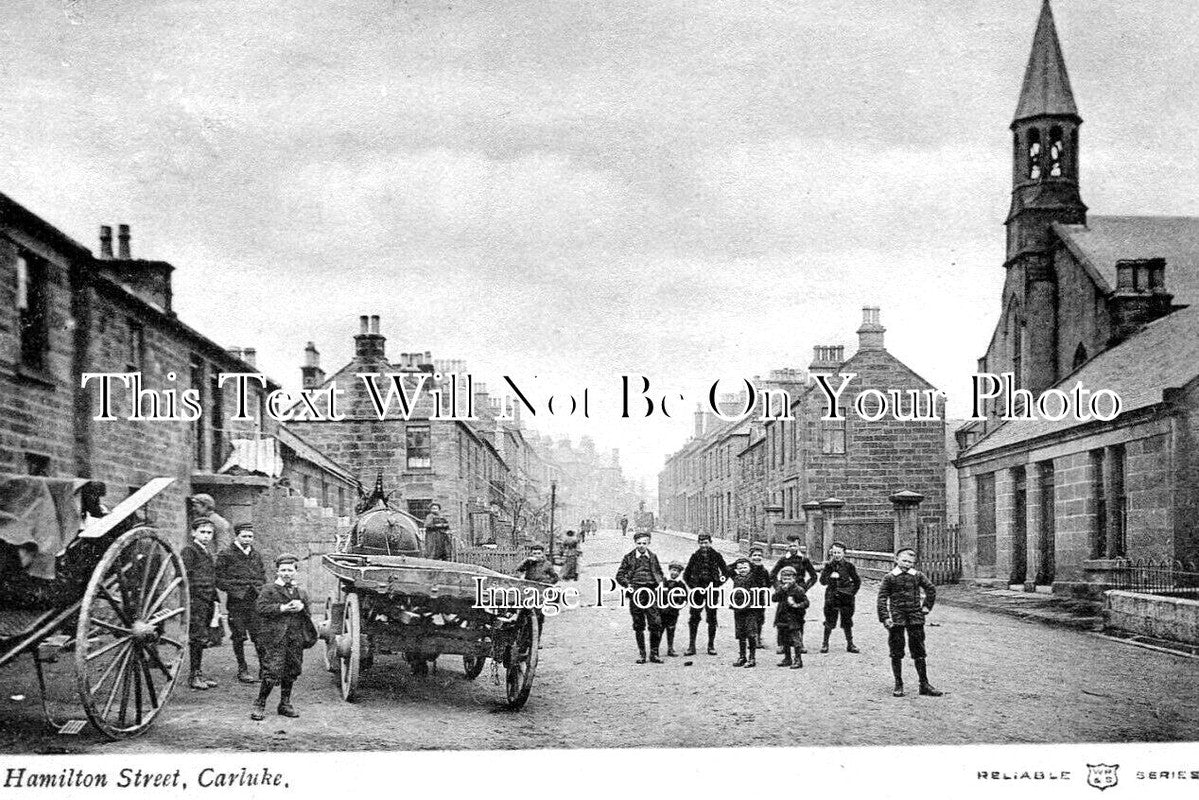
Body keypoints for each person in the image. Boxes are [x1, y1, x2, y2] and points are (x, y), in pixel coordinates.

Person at [252, 553, 317, 719]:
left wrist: (302, 607)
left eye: (290, 570)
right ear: (277, 572)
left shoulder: (301, 592)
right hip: (275, 638)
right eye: (283, 570)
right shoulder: (269, 589)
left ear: (295, 572)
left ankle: (285, 704)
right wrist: (282, 608)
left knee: (291, 670)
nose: (286, 573)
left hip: (295, 638)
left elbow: (309, 614)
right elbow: (260, 609)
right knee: (272, 671)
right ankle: (260, 703)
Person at [877, 547, 942, 698]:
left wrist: (926, 606)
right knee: (896, 651)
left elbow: (931, 589)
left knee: (919, 651)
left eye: (910, 562)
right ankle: (898, 684)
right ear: (896, 560)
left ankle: (924, 684)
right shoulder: (890, 577)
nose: (906, 564)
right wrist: (885, 617)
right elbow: (881, 598)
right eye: (904, 561)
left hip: (915, 617)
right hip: (897, 618)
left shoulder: (917, 575)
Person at [216, 521, 267, 684]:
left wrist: (259, 588)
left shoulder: (256, 555)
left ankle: (263, 668)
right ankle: (242, 668)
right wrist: (235, 590)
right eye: (244, 536)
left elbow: (262, 576)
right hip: (236, 602)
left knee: (259, 635)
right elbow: (219, 579)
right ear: (236, 536)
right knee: (238, 636)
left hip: (254, 601)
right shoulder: (226, 554)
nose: (247, 539)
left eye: (250, 536)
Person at [181, 518, 221, 690]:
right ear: (193, 533)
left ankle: (198, 672)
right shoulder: (189, 551)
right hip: (196, 599)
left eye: (209, 533)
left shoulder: (207, 552)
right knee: (197, 637)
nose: (206, 536)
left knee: (202, 636)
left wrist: (214, 597)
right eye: (202, 532)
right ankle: (194, 676)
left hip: (207, 598)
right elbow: (185, 576)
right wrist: (193, 595)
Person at [614, 531, 665, 664]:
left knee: (655, 623)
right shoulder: (629, 557)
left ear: (649, 543)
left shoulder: (653, 557)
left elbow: (659, 572)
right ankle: (642, 655)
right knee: (639, 624)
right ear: (635, 543)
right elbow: (620, 575)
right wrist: (627, 585)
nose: (641, 546)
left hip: (651, 592)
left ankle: (654, 654)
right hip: (636, 592)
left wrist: (660, 583)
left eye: (644, 543)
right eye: (639, 543)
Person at [683, 532, 731, 656]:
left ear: (710, 542)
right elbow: (686, 574)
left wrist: (717, 584)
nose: (704, 545)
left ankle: (711, 646)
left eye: (706, 543)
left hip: (712, 591)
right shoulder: (695, 556)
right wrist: (693, 587)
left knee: (712, 618)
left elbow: (726, 572)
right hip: (697, 592)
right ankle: (691, 646)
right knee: (694, 617)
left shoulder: (716, 556)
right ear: (698, 543)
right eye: (701, 543)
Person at [819, 541, 861, 654]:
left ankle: (850, 644)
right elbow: (822, 582)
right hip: (831, 597)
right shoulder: (828, 566)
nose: (836, 555)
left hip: (846, 598)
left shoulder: (849, 566)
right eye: (834, 552)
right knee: (829, 621)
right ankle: (825, 644)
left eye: (839, 552)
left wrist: (851, 593)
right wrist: (829, 577)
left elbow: (857, 581)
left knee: (847, 621)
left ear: (844, 553)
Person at [773, 566, 809, 669]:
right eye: (784, 578)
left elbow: (806, 602)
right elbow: (774, 599)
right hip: (782, 617)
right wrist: (780, 591)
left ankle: (798, 660)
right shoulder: (780, 588)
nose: (787, 580)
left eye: (789, 578)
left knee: (795, 639)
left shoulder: (799, 590)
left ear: (794, 578)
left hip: (794, 618)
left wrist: (797, 605)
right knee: (785, 640)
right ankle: (787, 659)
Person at [729, 558, 759, 668]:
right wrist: (737, 562)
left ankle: (752, 658)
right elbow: (728, 569)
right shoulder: (735, 577)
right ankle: (742, 656)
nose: (742, 570)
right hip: (738, 608)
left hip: (750, 609)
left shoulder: (753, 577)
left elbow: (757, 569)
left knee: (751, 633)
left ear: (750, 568)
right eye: (740, 568)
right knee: (740, 633)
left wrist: (749, 562)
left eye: (745, 567)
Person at [747, 547, 772, 658]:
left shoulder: (764, 570)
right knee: (750, 617)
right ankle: (752, 639)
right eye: (755, 555)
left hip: (760, 597)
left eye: (759, 555)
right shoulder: (747, 569)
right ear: (750, 557)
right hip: (749, 597)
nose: (757, 557)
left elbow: (768, 583)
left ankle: (758, 637)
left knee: (760, 618)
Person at [660, 560, 686, 657]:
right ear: (669, 570)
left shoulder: (680, 584)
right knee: (660, 629)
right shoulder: (663, 582)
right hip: (662, 610)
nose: (675, 573)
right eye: (673, 570)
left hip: (673, 611)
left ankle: (670, 648)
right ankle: (655, 649)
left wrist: (678, 605)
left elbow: (684, 598)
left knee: (671, 629)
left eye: (677, 571)